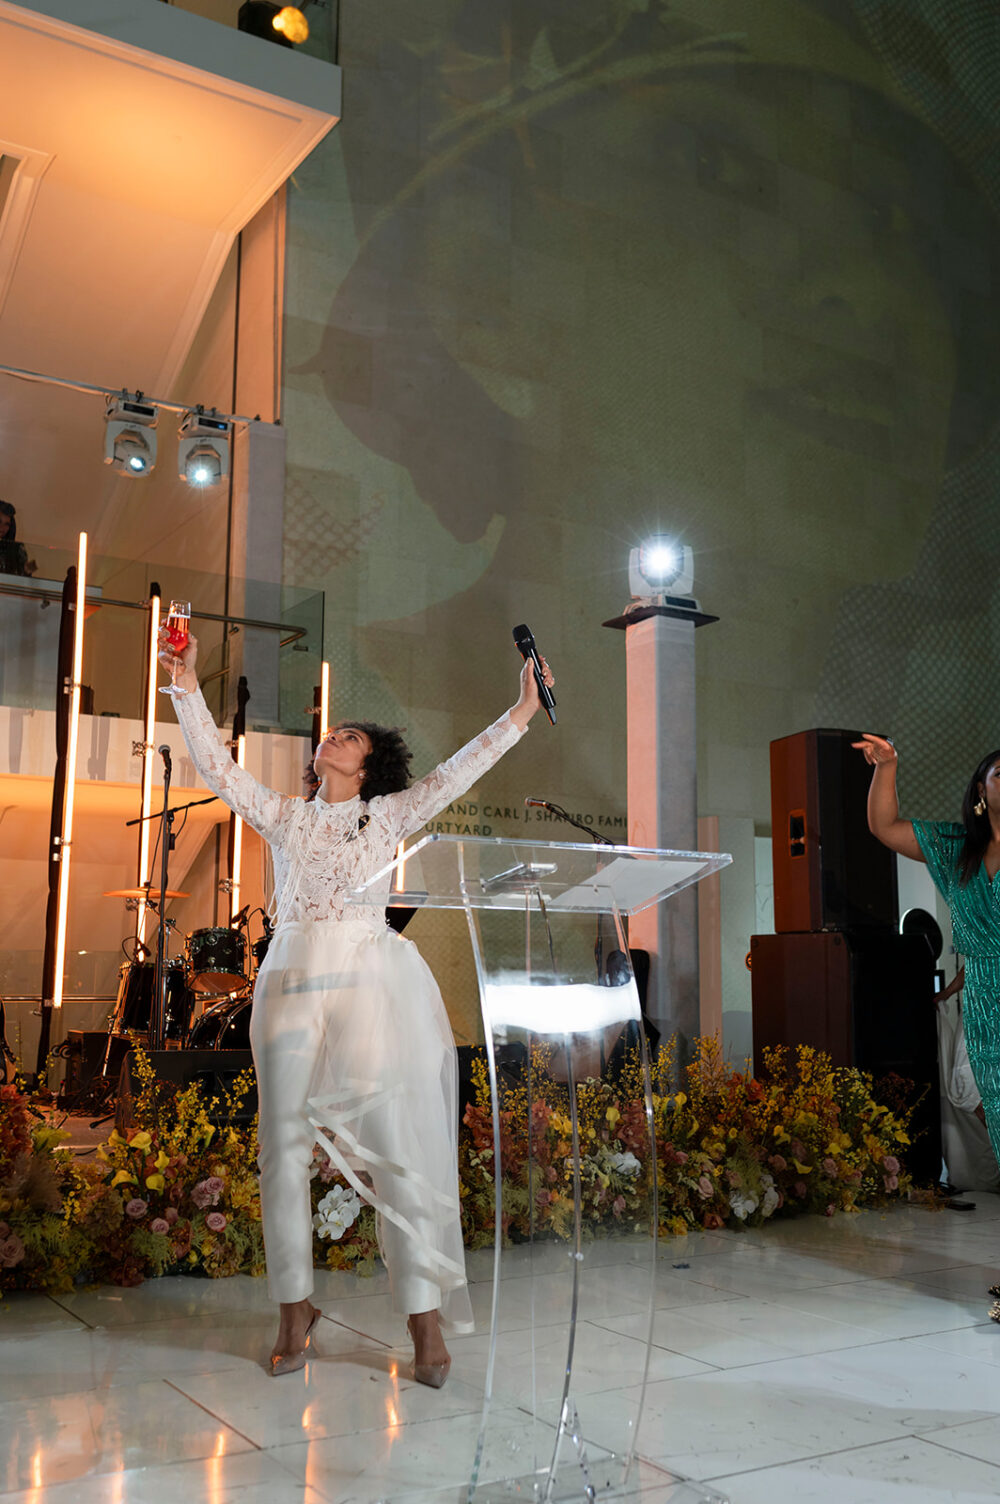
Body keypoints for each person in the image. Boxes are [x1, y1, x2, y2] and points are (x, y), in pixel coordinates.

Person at [159, 625, 554, 1380]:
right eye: (331, 733)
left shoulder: (393, 814)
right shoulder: (286, 815)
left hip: (368, 983)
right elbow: (215, 765)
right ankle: (293, 1309)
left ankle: (423, 1319)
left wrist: (524, 709)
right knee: (281, 1145)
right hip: (289, 978)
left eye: (349, 737)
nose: (332, 738)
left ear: (368, 766)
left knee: (394, 1145)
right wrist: (184, 684)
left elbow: (461, 769)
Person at [854, 734, 1000, 1318]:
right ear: (981, 792)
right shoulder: (956, 847)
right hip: (985, 1005)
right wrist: (887, 767)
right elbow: (884, 826)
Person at [0, 500, 32, 577]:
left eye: (7, 524)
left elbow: (29, 572)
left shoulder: (17, 549)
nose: (2, 527)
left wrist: (30, 568)